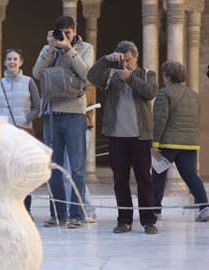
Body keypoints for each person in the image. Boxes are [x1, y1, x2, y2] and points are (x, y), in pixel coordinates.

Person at [87, 40, 159, 234]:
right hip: (116, 137)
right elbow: (91, 76)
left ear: (136, 57)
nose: (125, 65)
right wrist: (106, 60)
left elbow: (151, 92)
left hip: (140, 137)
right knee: (120, 180)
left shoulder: (146, 74)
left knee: (144, 179)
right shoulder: (111, 76)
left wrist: (130, 78)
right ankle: (124, 220)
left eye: (129, 60)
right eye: (122, 61)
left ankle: (149, 221)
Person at [32, 15, 94, 229]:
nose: (64, 36)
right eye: (61, 32)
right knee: (53, 168)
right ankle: (58, 215)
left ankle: (77, 215)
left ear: (75, 30)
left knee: (76, 168)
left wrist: (69, 48)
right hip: (50, 115)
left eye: (68, 32)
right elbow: (36, 73)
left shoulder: (85, 48)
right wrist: (50, 49)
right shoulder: (50, 48)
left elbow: (87, 74)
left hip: (74, 114)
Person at [151, 60, 209, 222]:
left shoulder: (164, 93)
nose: (163, 77)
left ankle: (155, 211)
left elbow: (159, 120)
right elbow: (196, 118)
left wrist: (155, 144)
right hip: (189, 143)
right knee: (191, 175)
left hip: (168, 144)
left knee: (158, 174)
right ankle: (204, 207)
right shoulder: (193, 94)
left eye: (163, 74)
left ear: (168, 77)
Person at [0, 48, 41, 218]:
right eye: (9, 59)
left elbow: (38, 107)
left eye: (15, 59)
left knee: (23, 172)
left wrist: (24, 120)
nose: (12, 62)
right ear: (5, 62)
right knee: (6, 173)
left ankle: (26, 211)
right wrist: (2, 121)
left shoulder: (29, 82)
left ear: (21, 62)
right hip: (5, 136)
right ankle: (9, 210)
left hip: (23, 134)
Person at [64, 84, 98, 223]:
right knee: (65, 172)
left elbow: (80, 101)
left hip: (81, 129)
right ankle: (71, 210)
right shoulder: (67, 80)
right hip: (64, 128)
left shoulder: (88, 83)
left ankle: (90, 210)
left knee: (75, 171)